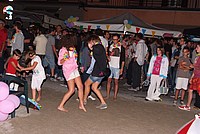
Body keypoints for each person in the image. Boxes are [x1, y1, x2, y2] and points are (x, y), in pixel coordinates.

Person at [57, 35, 86, 112]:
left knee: (81, 86)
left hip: (75, 69)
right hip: (68, 70)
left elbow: (75, 59)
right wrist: (66, 57)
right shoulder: (63, 50)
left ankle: (81, 104)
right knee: (72, 90)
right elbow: (59, 63)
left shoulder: (73, 49)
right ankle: (61, 105)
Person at [83, 34, 107, 110]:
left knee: (86, 84)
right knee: (94, 87)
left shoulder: (97, 47)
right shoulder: (101, 47)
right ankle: (103, 103)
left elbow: (95, 50)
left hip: (97, 71)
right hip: (102, 72)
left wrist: (91, 47)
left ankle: (84, 99)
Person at [179, 44, 200, 111]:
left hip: (199, 77)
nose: (196, 49)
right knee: (190, 90)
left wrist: (194, 66)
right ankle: (188, 106)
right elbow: (195, 68)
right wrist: (192, 77)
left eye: (197, 47)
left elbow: (197, 67)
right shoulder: (197, 57)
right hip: (195, 76)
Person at [105, 34, 125, 100]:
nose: (114, 41)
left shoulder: (121, 47)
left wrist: (121, 68)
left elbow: (123, 59)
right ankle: (107, 95)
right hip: (110, 65)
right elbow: (107, 54)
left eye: (116, 39)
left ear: (118, 39)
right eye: (113, 39)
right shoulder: (111, 46)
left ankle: (115, 96)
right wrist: (108, 57)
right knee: (109, 81)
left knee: (116, 82)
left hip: (117, 66)